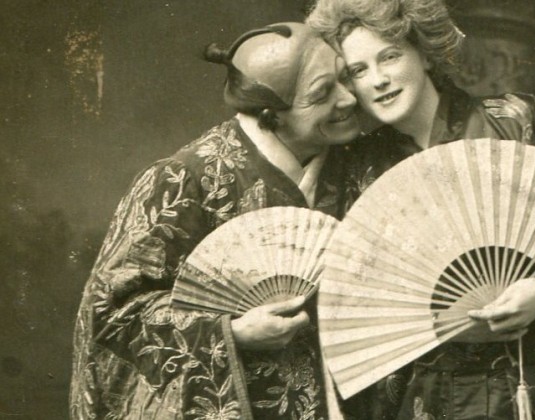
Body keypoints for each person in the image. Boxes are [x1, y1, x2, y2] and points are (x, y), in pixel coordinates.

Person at [307, 1, 535, 419]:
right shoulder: (358, 170)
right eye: (358, 71)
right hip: (432, 388)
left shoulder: (520, 122)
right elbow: (354, 298)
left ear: (424, 54)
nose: (378, 80)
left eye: (390, 56)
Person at [69, 22, 360, 420]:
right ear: (270, 116)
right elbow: (111, 316)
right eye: (322, 93)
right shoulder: (182, 180)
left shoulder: (359, 162)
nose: (348, 98)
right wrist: (232, 333)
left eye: (345, 76)